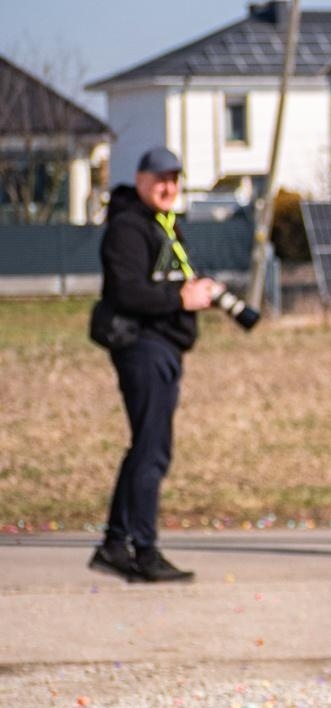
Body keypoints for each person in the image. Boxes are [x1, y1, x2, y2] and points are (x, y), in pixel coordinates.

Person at [89, 147, 214, 584]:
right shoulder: (127, 228)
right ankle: (143, 549)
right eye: (160, 178)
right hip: (142, 347)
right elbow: (126, 292)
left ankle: (113, 544)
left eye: (175, 179)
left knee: (146, 447)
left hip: (163, 348)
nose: (168, 187)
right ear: (140, 180)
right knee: (152, 451)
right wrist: (181, 298)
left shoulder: (164, 225)